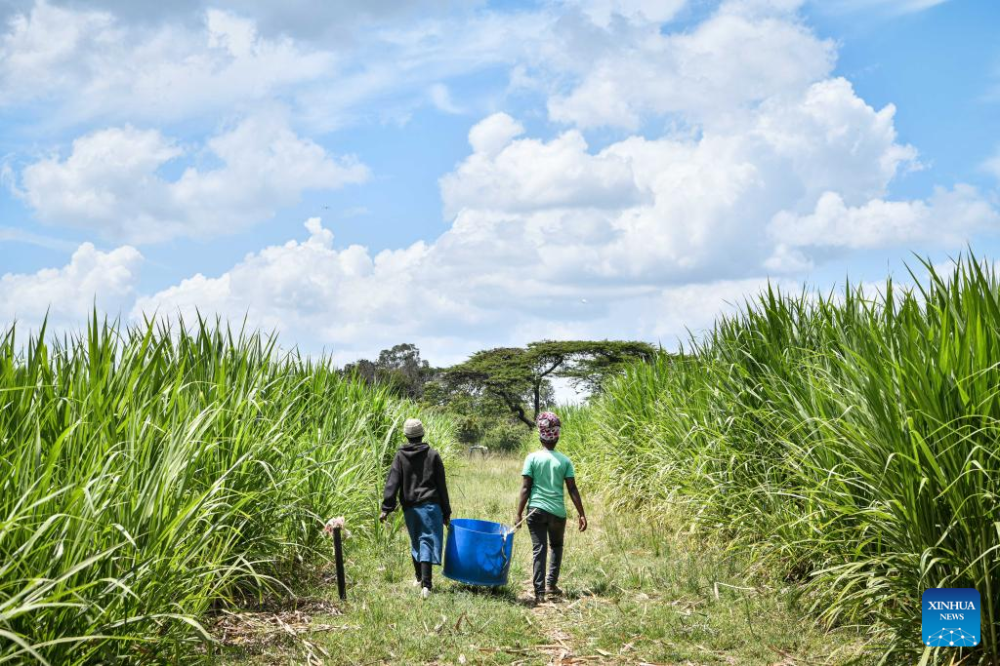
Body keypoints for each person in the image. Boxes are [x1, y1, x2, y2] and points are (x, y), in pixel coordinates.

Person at [515, 411, 587, 604]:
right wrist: (582, 514)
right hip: (557, 513)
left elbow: (525, 488)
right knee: (556, 547)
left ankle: (539, 592)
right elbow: (572, 489)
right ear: (557, 436)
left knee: (539, 548)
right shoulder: (565, 461)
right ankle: (551, 586)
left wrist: (518, 513)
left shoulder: (532, 459)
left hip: (535, 511)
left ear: (541, 435)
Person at [380, 418, 451, 599]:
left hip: (410, 507)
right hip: (430, 507)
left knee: (416, 541)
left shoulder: (400, 456)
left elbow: (392, 482)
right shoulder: (433, 455)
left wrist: (386, 507)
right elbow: (441, 486)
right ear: (422, 434)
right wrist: (446, 512)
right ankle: (426, 585)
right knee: (426, 541)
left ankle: (419, 578)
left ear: (406, 436)